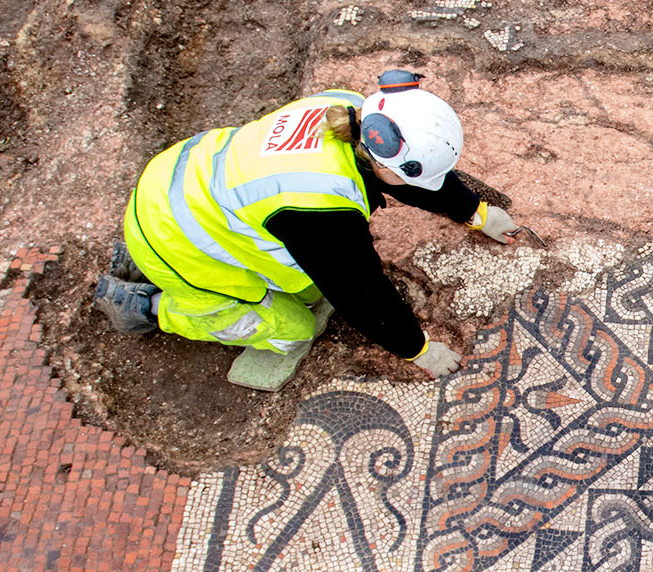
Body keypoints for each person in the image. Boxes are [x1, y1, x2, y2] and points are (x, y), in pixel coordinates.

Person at [91, 70, 527, 390]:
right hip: (178, 243)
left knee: (301, 283)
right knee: (295, 327)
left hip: (175, 182)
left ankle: (139, 254)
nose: (417, 187)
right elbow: (364, 295)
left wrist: (477, 213)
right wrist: (418, 349)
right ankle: (145, 305)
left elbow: (397, 173)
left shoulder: (347, 109)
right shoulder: (320, 211)